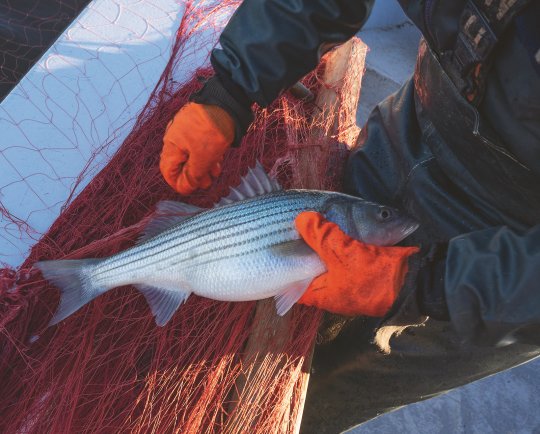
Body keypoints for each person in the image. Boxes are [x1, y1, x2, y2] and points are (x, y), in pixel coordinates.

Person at [160, 0, 540, 431]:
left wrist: (431, 284)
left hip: (502, 258)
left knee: (308, 396)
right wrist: (233, 84)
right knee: (228, 342)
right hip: (412, 121)